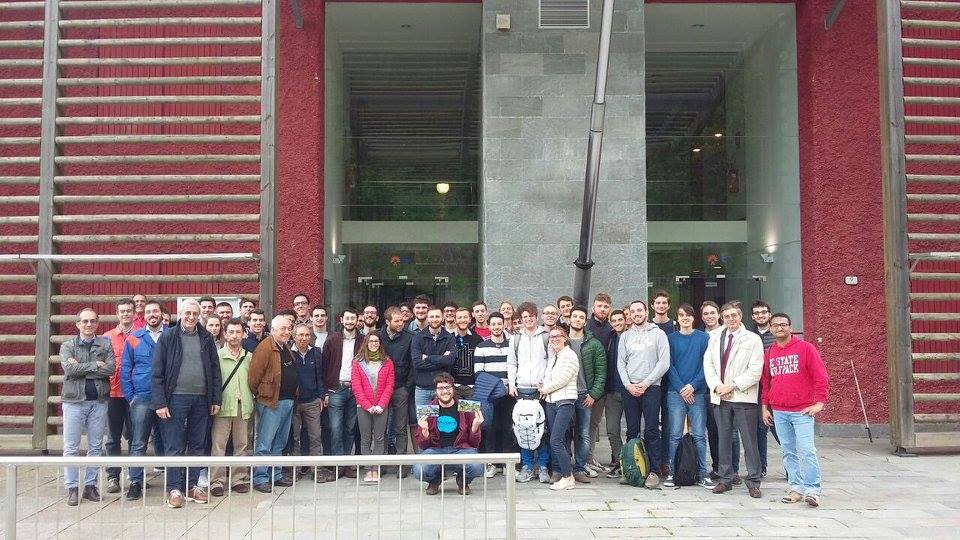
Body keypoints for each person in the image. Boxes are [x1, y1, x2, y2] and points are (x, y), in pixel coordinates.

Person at [151, 298, 222, 508]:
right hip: (175, 398)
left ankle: (192, 486)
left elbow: (215, 370)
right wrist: (160, 403)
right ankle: (174, 488)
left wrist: (215, 398)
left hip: (201, 399)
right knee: (174, 445)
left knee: (197, 444)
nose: (191, 317)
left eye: (195, 314)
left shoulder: (206, 337)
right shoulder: (168, 336)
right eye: (187, 313)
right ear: (180, 314)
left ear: (199, 316)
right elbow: (157, 372)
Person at [762, 313, 829, 507]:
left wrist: (820, 403)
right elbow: (766, 383)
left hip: (802, 411)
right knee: (788, 452)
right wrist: (765, 407)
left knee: (807, 451)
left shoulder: (806, 348)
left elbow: (821, 376)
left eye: (783, 324)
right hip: (779, 411)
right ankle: (796, 489)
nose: (779, 328)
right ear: (771, 329)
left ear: (790, 327)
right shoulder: (770, 353)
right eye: (775, 325)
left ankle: (813, 490)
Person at [704, 302, 765, 498]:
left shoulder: (753, 339)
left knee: (749, 441)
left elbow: (755, 371)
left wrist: (732, 386)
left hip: (743, 397)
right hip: (721, 397)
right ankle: (725, 479)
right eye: (727, 316)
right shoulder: (714, 338)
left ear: (740, 316)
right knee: (724, 440)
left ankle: (753, 481)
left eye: (734, 315)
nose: (731, 319)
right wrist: (717, 387)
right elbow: (708, 365)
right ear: (722, 318)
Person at [60, 307, 115, 506]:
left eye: (92, 321)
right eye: (85, 321)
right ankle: (72, 488)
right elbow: (70, 370)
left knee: (96, 446)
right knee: (71, 447)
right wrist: (95, 365)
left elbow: (111, 369)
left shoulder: (105, 343)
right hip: (74, 402)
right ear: (78, 324)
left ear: (97, 323)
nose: (89, 324)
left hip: (98, 401)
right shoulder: (67, 346)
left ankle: (90, 486)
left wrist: (80, 367)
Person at [617, 299, 670, 488]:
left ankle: (654, 471)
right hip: (630, 389)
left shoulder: (659, 334)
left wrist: (646, 383)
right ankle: (631, 470)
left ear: (646, 311)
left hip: (652, 388)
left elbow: (663, 363)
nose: (636, 314)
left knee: (652, 429)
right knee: (632, 430)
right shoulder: (625, 336)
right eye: (633, 312)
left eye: (639, 310)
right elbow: (620, 363)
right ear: (629, 315)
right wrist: (628, 385)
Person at [663, 303, 714, 489]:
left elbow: (707, 365)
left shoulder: (704, 338)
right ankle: (672, 472)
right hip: (675, 393)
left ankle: (702, 473)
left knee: (699, 435)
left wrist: (693, 386)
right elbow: (669, 365)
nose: (685, 318)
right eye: (681, 315)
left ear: (694, 317)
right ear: (677, 318)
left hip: (697, 393)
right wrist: (681, 388)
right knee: (675, 435)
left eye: (688, 315)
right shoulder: (670, 339)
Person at [120, 299, 165, 501]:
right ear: (143, 315)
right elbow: (125, 369)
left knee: (170, 441)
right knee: (138, 442)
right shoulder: (134, 338)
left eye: (155, 311)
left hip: (166, 397)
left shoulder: (171, 335)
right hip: (142, 397)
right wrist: (131, 397)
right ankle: (135, 482)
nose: (152, 314)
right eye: (148, 312)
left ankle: (173, 483)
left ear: (162, 314)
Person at [411, 373, 484, 495]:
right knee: (418, 470)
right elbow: (423, 446)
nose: (445, 391)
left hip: (460, 450)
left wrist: (475, 427)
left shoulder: (465, 406)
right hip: (436, 450)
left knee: (478, 466)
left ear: (453, 388)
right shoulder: (429, 409)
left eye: (448, 387)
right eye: (440, 388)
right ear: (436, 391)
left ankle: (462, 481)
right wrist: (424, 432)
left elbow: (474, 444)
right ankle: (435, 480)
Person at [247, 315, 296, 492]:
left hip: (287, 401)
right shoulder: (264, 348)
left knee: (280, 441)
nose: (287, 332)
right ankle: (260, 478)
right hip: (271, 402)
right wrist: (262, 395)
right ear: (273, 330)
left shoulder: (284, 346)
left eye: (289, 328)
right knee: (265, 443)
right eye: (283, 328)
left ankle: (276, 475)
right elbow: (254, 378)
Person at [507, 302, 551, 483]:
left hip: (541, 391)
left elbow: (551, 362)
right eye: (524, 317)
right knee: (523, 428)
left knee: (542, 430)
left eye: (531, 316)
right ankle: (527, 466)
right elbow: (512, 363)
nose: (528, 319)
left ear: (536, 316)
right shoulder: (516, 339)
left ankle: (543, 466)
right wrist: (511, 384)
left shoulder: (546, 337)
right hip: (522, 389)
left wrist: (547, 384)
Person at [210, 318, 254, 496]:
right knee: (218, 444)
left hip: (243, 405)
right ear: (225, 334)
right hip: (223, 405)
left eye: (238, 332)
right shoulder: (217, 356)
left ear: (243, 334)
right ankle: (217, 481)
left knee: (241, 444)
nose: (234, 336)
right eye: (231, 332)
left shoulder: (249, 357)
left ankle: (238, 479)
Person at [567, 305, 606, 483]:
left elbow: (601, 372)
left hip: (584, 395)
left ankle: (580, 468)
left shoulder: (594, 344)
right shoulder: (561, 341)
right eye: (575, 316)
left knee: (583, 433)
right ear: (569, 318)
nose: (577, 320)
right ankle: (564, 467)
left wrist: (593, 394)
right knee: (564, 433)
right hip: (564, 395)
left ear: (585, 321)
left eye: (581, 317)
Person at [320, 308, 363, 470]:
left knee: (350, 428)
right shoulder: (332, 340)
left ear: (357, 320)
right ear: (341, 320)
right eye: (347, 318)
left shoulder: (363, 340)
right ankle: (337, 464)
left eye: (353, 318)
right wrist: (325, 391)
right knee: (335, 428)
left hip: (355, 389)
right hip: (336, 389)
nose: (350, 321)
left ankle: (346, 464)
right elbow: (323, 367)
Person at [700, 300, 738, 480]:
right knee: (713, 430)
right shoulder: (701, 336)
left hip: (729, 389)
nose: (709, 316)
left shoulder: (728, 333)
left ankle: (734, 470)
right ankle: (717, 467)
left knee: (731, 432)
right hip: (709, 390)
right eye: (706, 314)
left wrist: (728, 385)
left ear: (719, 315)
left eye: (712, 313)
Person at [474, 311, 514, 477]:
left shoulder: (512, 345)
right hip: (490, 395)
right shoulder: (481, 347)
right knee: (490, 428)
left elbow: (515, 367)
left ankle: (506, 464)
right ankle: (490, 463)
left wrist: (507, 386)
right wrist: (497, 386)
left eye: (499, 324)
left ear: (504, 325)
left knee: (507, 428)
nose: (496, 327)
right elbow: (478, 373)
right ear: (489, 326)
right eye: (493, 324)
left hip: (509, 394)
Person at [540, 327, 581, 491]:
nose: (554, 339)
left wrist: (545, 389)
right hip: (551, 402)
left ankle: (568, 477)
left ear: (565, 338)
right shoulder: (554, 357)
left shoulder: (570, 355)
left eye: (558, 336)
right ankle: (564, 475)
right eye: (551, 337)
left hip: (564, 401)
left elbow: (563, 379)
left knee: (556, 440)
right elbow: (550, 377)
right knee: (558, 439)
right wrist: (543, 384)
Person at [352, 333, 395, 483]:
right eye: (371, 341)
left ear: (380, 343)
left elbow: (390, 385)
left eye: (376, 341)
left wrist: (382, 405)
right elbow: (356, 386)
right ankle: (368, 470)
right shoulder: (358, 362)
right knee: (365, 439)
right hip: (364, 407)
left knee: (379, 438)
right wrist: (368, 406)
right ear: (366, 343)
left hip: (381, 407)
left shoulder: (387, 362)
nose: (374, 343)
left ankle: (376, 469)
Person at [103, 298, 135, 494]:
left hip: (133, 394)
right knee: (113, 437)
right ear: (117, 314)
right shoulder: (106, 338)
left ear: (134, 313)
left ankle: (134, 476)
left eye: (129, 310)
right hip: (113, 393)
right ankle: (113, 476)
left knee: (134, 436)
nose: (125, 314)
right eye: (122, 311)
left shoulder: (139, 336)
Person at [290, 323, 329, 481]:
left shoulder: (316, 352)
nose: (304, 338)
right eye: (300, 335)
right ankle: (296, 469)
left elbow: (320, 376)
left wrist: (321, 396)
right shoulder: (288, 352)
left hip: (312, 401)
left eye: (307, 335)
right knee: (294, 437)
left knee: (315, 437)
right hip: (293, 403)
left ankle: (315, 469)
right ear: (294, 336)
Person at [378, 307, 414, 470]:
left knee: (400, 427)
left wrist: (407, 387)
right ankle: (382, 463)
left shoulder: (410, 337)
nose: (401, 323)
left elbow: (413, 365)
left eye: (402, 320)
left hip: (401, 388)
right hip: (381, 389)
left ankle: (401, 463)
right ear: (387, 322)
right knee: (382, 427)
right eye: (397, 321)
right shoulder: (377, 337)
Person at [584, 293, 613, 474]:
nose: (602, 309)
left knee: (593, 424)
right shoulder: (585, 326)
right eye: (599, 306)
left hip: (602, 387)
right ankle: (581, 460)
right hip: (583, 385)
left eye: (605, 306)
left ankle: (589, 458)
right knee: (581, 425)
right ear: (593, 307)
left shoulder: (612, 329)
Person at [750, 300, 777, 476]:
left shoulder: (776, 335)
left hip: (777, 388)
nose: (760, 316)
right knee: (760, 429)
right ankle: (761, 467)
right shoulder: (749, 336)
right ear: (753, 317)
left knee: (779, 429)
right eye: (757, 313)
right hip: (757, 389)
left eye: (763, 312)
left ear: (769, 314)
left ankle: (792, 468)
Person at [411, 306, 457, 407]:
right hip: (422, 389)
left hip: (443, 389)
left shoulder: (449, 338)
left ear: (442, 318)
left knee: (442, 417)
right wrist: (441, 360)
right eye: (431, 317)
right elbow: (417, 363)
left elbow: (449, 361)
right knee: (423, 417)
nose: (434, 319)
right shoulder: (417, 337)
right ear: (427, 318)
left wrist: (428, 358)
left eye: (437, 316)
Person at [603, 309, 628, 478]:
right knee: (612, 430)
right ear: (611, 323)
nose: (618, 323)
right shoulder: (610, 338)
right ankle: (621, 463)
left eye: (620, 320)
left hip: (630, 391)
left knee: (633, 430)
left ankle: (634, 462)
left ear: (626, 320)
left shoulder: (631, 337)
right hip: (612, 391)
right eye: (615, 320)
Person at [452, 307, 481, 399]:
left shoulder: (478, 339)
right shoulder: (449, 338)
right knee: (454, 409)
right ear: (455, 320)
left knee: (471, 409)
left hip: (472, 388)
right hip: (453, 388)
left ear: (470, 319)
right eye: (459, 317)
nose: (462, 320)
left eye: (465, 317)